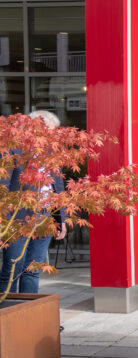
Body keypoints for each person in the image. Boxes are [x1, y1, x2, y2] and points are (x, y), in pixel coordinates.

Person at [0, 110, 67, 294]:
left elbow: (58, 185)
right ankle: (8, 315)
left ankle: (29, 314)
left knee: (33, 269)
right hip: (17, 217)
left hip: (44, 216)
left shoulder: (51, 151)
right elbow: (3, 186)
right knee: (12, 268)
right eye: (49, 131)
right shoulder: (13, 149)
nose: (52, 136)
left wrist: (61, 219)